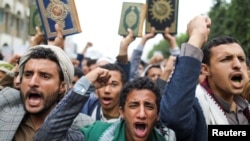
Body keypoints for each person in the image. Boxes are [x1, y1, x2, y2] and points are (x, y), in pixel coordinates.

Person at [160, 15, 250, 141]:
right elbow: (174, 116)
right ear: (205, 70)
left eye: (241, 59)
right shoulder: (197, 109)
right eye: (226, 59)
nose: (237, 65)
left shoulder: (246, 108)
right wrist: (197, 36)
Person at [34, 68, 176, 141]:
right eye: (133, 105)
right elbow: (46, 138)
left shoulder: (168, 138)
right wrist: (85, 84)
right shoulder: (96, 134)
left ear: (157, 115)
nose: (141, 114)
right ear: (121, 112)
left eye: (149, 106)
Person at [0, 44, 95, 140]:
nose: (33, 83)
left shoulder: (85, 125)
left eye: (45, 76)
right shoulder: (5, 107)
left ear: (62, 86)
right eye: (28, 74)